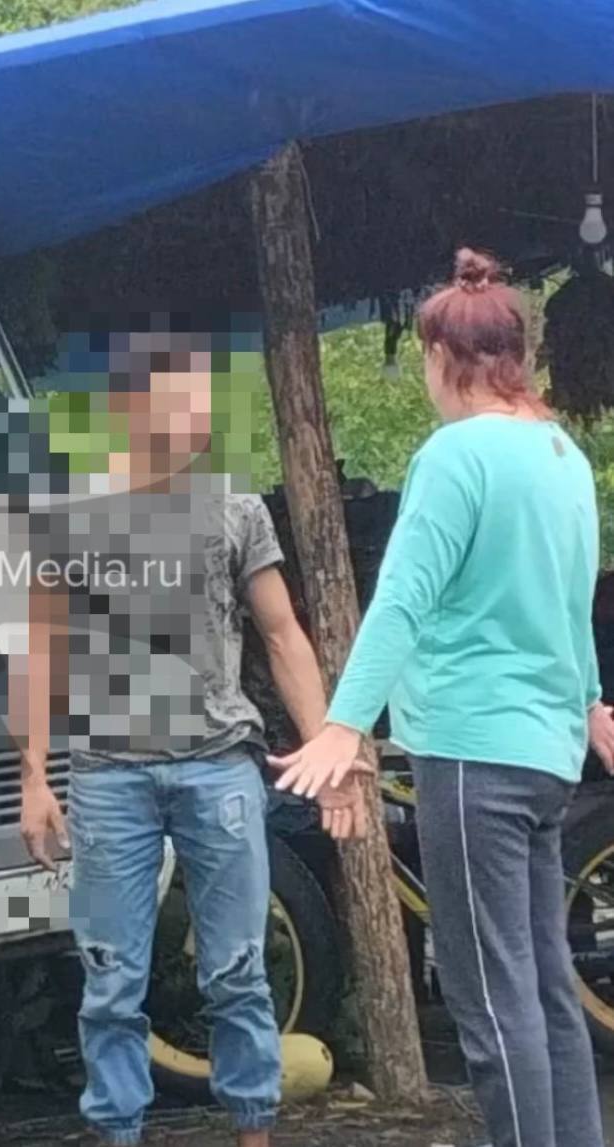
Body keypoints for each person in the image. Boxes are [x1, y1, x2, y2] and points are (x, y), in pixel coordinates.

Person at [273, 249, 614, 1147]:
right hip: (546, 753)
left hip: (472, 752)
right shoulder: (563, 456)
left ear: (442, 358)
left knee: (489, 998)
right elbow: (570, 599)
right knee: (544, 984)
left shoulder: (455, 456)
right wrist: (589, 704)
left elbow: (402, 599)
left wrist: (343, 722)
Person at [17, 333, 365, 1147]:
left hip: (219, 770)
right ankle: (118, 1131)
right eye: (182, 397)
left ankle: (254, 1132)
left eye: (205, 398)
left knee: (238, 972)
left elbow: (282, 635)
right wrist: (32, 776)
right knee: (111, 980)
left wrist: (330, 750)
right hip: (110, 775)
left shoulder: (235, 508)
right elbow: (37, 649)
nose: (199, 413)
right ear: (130, 407)